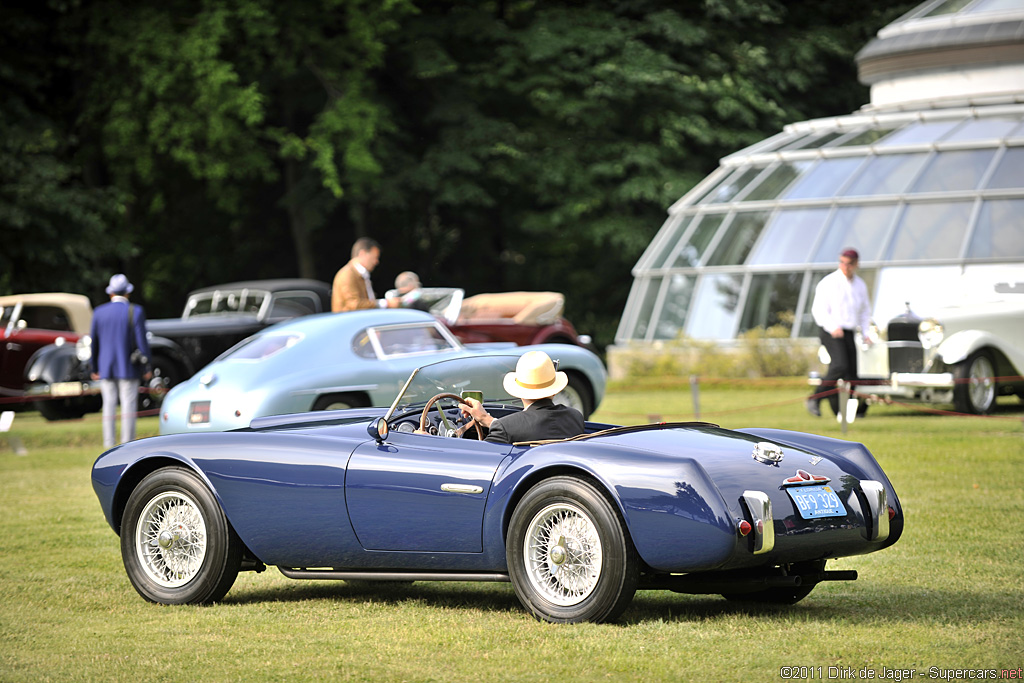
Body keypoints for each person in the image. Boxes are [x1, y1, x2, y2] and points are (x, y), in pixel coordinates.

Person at [460, 351, 585, 444]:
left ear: (519, 392)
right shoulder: (575, 417)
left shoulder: (506, 428)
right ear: (554, 391)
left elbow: (485, 457)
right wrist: (488, 420)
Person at [807, 248, 872, 417]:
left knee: (852, 375)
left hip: (849, 332)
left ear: (856, 264)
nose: (845, 266)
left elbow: (865, 312)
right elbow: (819, 310)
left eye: (849, 264)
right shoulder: (829, 282)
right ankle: (815, 398)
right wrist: (832, 327)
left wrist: (866, 333)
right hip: (831, 331)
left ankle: (848, 412)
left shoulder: (860, 285)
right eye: (842, 262)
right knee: (839, 366)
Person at [89, 274, 152, 448]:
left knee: (108, 405)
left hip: (106, 367)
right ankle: (127, 444)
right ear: (128, 292)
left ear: (110, 293)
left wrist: (93, 366)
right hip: (129, 366)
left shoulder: (99, 312)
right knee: (128, 406)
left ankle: (108, 444)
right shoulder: (136, 311)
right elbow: (142, 342)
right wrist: (147, 365)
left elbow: (94, 342)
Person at [331, 237, 400, 312]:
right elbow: (354, 305)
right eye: (374, 257)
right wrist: (385, 303)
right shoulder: (347, 275)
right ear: (362, 254)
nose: (376, 262)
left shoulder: (359, 274)